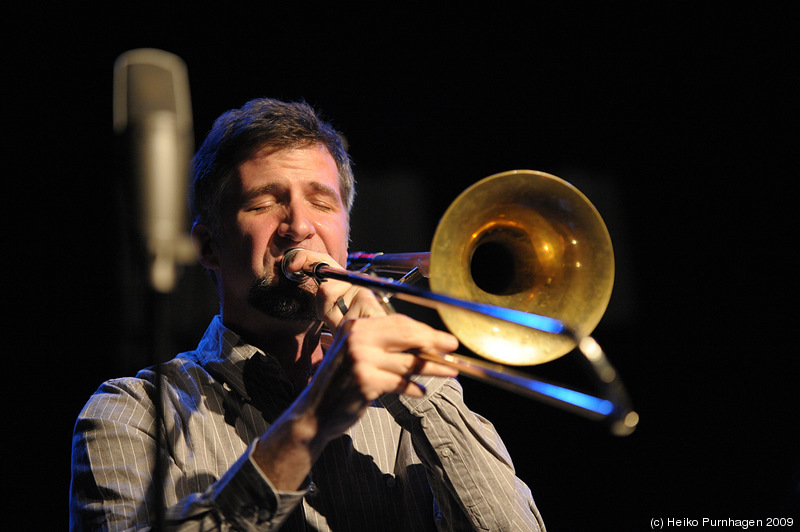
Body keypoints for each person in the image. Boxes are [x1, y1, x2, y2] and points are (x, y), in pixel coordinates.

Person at [70, 97, 546, 531]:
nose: (299, 226)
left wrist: (420, 384)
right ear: (209, 247)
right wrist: (309, 424)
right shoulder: (133, 413)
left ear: (346, 232)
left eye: (322, 203)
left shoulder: (407, 403)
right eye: (263, 203)